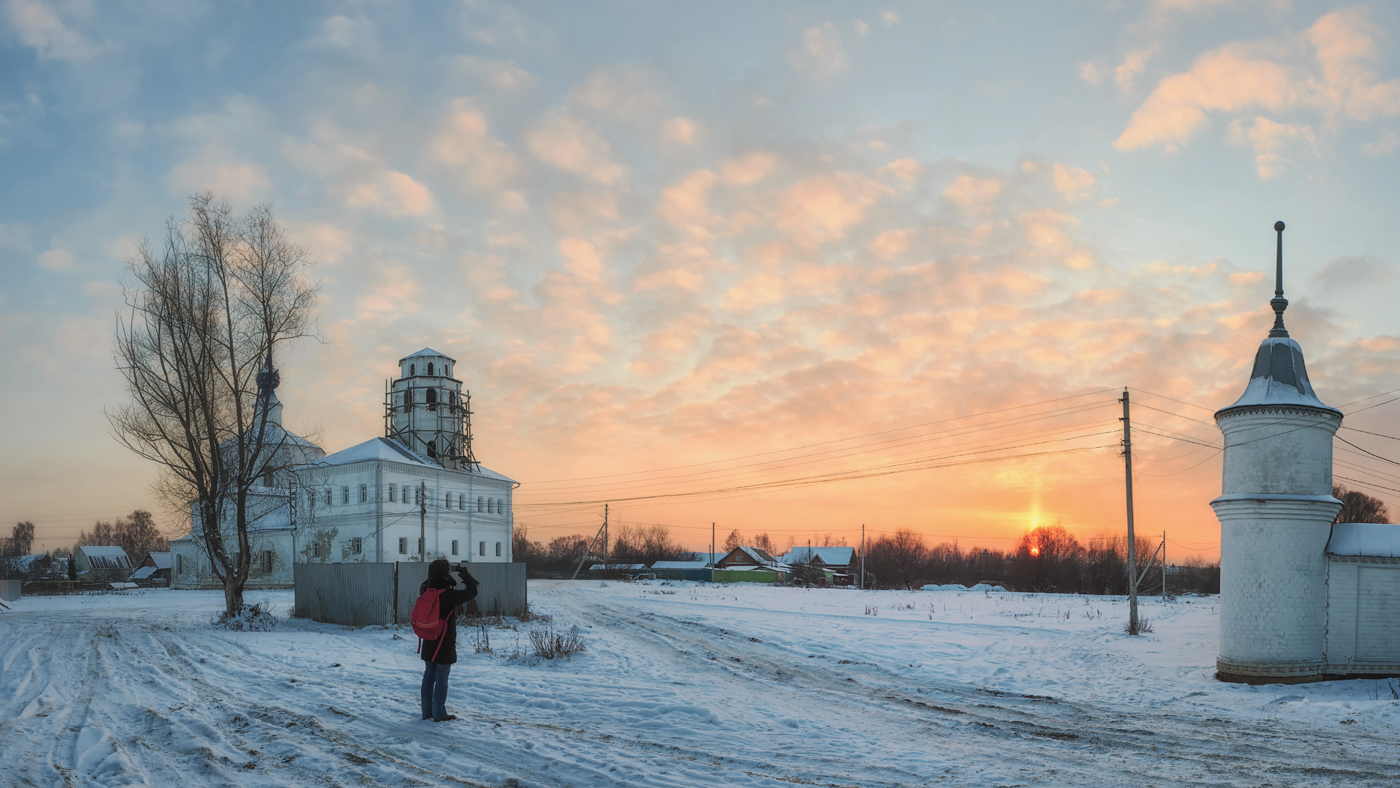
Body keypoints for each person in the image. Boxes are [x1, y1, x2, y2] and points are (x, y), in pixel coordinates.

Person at [418, 558, 478, 722]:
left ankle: (426, 713)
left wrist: (437, 572)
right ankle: (439, 714)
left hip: (429, 639)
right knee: (442, 676)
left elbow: (432, 581)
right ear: (445, 575)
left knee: (428, 675)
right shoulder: (448, 595)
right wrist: (464, 573)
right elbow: (472, 591)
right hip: (443, 642)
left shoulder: (425, 590)